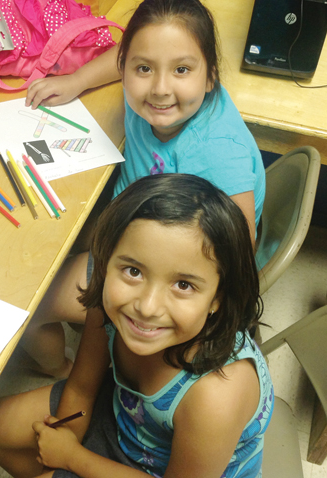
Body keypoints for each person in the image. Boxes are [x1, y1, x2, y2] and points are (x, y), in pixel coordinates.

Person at [0, 174, 273, 478]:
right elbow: (81, 388)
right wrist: (60, 451)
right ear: (105, 261)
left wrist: (72, 458)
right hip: (123, 413)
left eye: (183, 284)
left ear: (218, 298)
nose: (147, 307)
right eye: (133, 271)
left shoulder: (216, 395)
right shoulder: (110, 307)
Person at [21, 0, 266, 377]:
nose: (160, 89)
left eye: (181, 70)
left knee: (30, 300)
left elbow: (238, 250)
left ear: (210, 77)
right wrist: (77, 81)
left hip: (162, 261)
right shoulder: (156, 93)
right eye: (144, 68)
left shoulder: (216, 154)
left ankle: (63, 372)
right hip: (130, 218)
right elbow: (126, 54)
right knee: (44, 241)